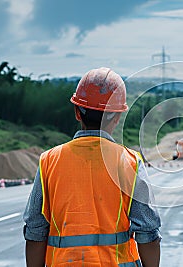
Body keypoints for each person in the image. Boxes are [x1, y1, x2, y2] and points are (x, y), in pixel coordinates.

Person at [23, 67, 161, 267]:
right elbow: (148, 232)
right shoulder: (130, 162)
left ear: (77, 112)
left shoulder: (49, 161)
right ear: (117, 117)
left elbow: (35, 231)